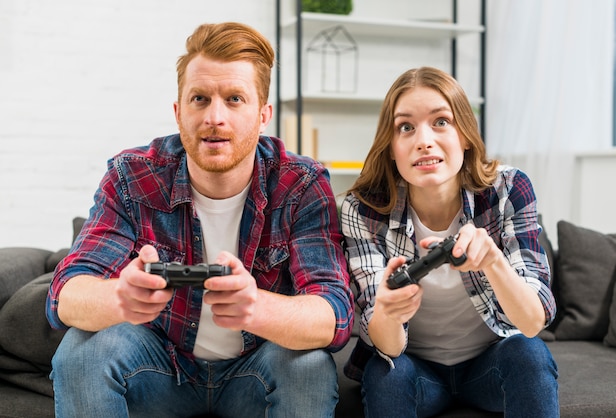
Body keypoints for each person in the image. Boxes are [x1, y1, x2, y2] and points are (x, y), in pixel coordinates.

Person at [46, 22, 354, 418]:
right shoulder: (133, 176)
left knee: (309, 366)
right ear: (178, 112)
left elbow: (334, 313)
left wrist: (254, 308)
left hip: (255, 370)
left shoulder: (301, 183)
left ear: (263, 116)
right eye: (200, 98)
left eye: (234, 99)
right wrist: (120, 297)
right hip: (160, 368)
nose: (215, 116)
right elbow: (64, 293)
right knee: (80, 353)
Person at [340, 66, 559, 417]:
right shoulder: (363, 208)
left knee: (528, 354)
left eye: (440, 121)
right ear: (392, 148)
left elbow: (533, 322)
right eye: (405, 127)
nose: (423, 140)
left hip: (490, 363)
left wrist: (493, 261)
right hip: (414, 368)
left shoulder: (508, 190)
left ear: (466, 135)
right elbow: (386, 345)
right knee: (386, 372)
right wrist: (388, 309)